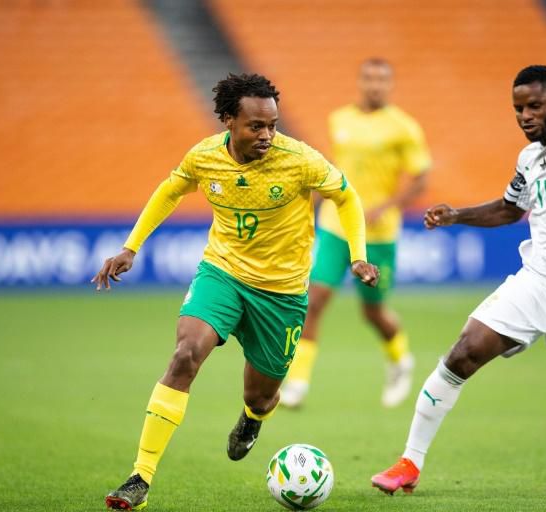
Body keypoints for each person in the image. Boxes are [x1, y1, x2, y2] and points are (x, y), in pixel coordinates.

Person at [92, 73, 380, 511]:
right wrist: (131, 246)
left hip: (281, 294)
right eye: (256, 126)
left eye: (273, 125)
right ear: (229, 121)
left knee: (260, 395)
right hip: (222, 274)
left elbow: (346, 197)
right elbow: (170, 190)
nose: (267, 134)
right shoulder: (205, 157)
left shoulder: (299, 159)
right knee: (185, 354)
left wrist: (357, 255)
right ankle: (140, 477)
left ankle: (252, 420)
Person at [370, 64, 546, 495]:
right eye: (518, 108)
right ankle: (409, 462)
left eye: (535, 106)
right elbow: (509, 208)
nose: (525, 115)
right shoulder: (529, 158)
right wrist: (457, 215)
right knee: (463, 352)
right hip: (539, 281)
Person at [280, 58, 431, 409]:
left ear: (389, 85)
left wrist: (387, 206)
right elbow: (334, 171)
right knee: (313, 300)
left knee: (373, 312)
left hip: (378, 233)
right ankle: (298, 383)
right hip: (337, 225)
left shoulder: (403, 128)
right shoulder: (339, 120)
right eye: (369, 79)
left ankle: (400, 360)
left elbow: (421, 178)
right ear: (360, 82)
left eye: (382, 80)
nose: (374, 85)